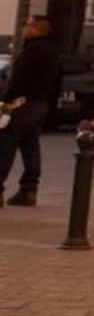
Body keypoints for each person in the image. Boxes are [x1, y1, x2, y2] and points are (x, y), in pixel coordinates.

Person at [0, 15, 60, 207]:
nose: (25, 28)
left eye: (28, 26)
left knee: (6, 146)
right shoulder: (52, 51)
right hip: (40, 105)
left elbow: (18, 79)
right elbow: (58, 82)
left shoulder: (32, 50)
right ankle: (29, 189)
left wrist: (5, 101)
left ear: (34, 29)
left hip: (22, 104)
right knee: (31, 147)